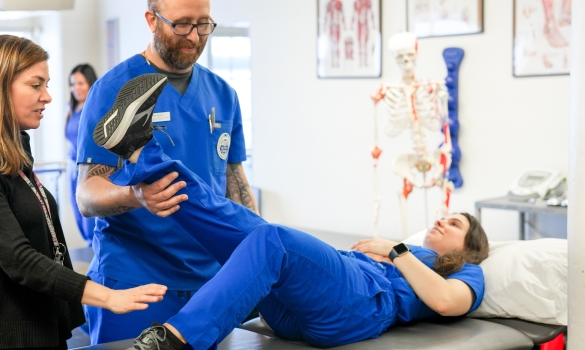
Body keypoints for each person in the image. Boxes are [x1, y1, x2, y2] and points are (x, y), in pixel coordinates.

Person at [90, 74, 490, 350]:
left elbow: (444, 302)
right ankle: (140, 150)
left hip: (360, 306)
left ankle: (176, 340)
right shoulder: (416, 254)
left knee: (272, 238)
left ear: (469, 246)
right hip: (306, 308)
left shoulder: (468, 272)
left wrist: (395, 249)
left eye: (455, 223)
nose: (442, 220)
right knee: (234, 224)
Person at [0, 35, 167, 350]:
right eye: (35, 85)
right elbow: (19, 259)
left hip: (36, 325)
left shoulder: (12, 151)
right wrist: (107, 297)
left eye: (46, 85)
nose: (47, 97)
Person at [75, 0, 259, 344]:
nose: (195, 36)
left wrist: (262, 255)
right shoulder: (114, 88)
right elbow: (87, 196)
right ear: (152, 20)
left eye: (203, 24)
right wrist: (136, 196)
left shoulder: (223, 94)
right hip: (135, 283)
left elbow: (235, 185)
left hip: (209, 284)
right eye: (182, 24)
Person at [66, 64, 98, 245]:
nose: (75, 88)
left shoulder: (95, 108)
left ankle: (94, 248)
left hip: (89, 169)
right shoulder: (71, 108)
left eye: (80, 83)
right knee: (78, 214)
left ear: (90, 83)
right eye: (72, 84)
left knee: (89, 217)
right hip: (73, 170)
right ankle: (89, 245)